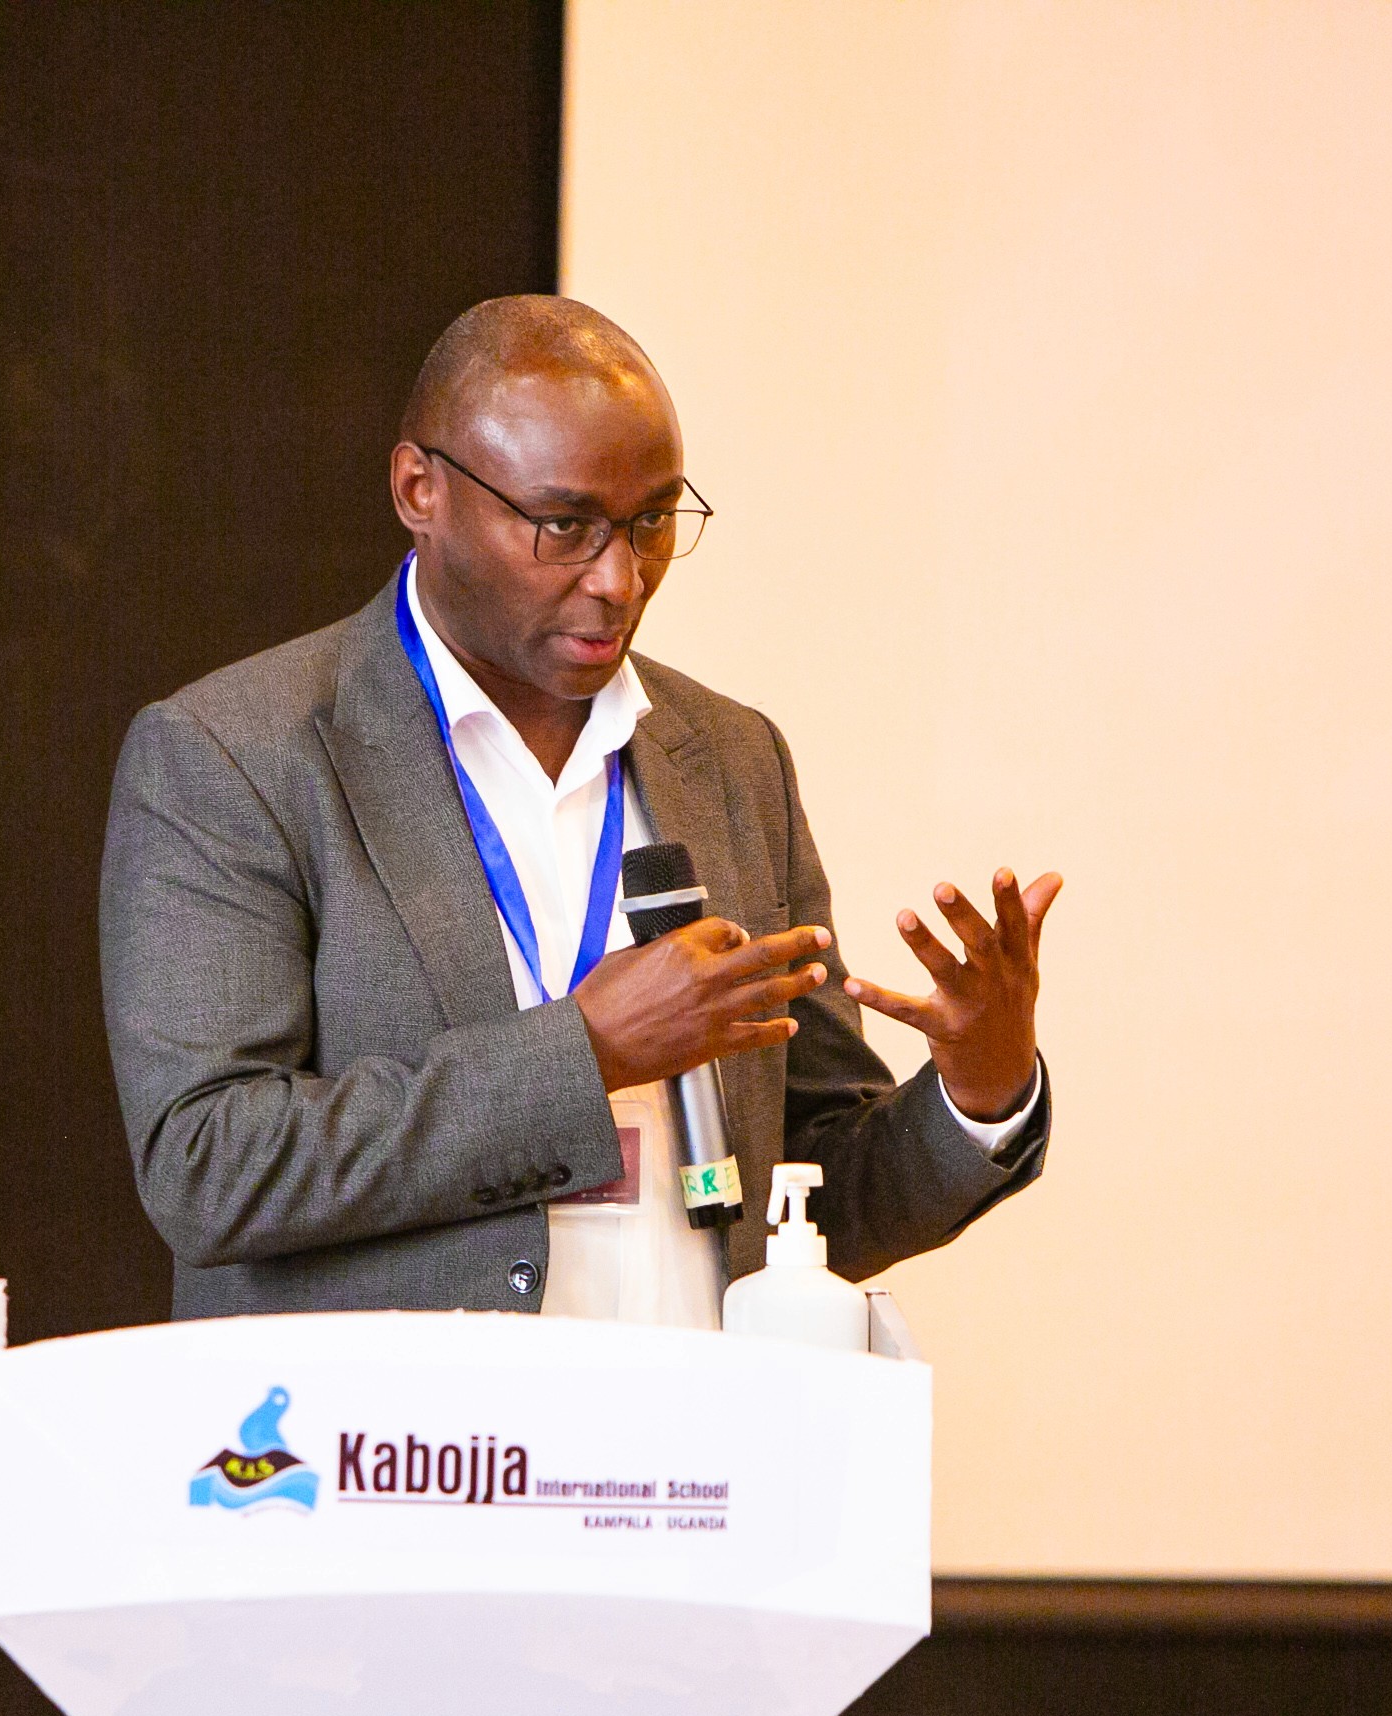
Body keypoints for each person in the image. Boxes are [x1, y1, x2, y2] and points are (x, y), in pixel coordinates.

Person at [100, 294, 1058, 1326]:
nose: (619, 579)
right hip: (396, 1426)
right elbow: (210, 1166)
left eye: (652, 523)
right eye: (565, 526)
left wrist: (979, 1092)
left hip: (691, 1424)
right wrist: (587, 1054)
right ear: (420, 489)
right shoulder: (238, 755)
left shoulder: (733, 759)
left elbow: (809, 1198)